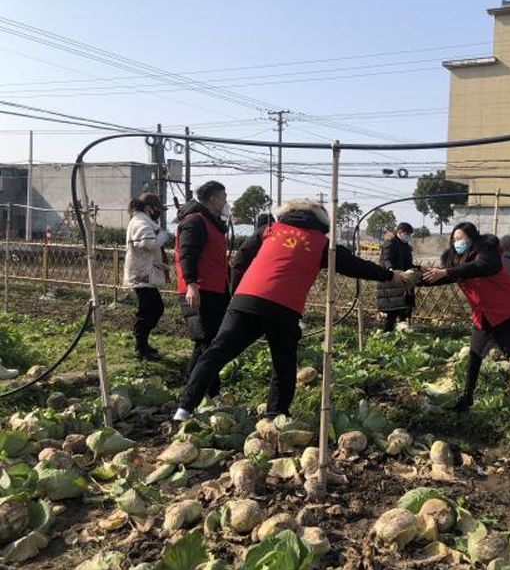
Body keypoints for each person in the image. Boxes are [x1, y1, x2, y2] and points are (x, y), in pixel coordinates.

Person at [173, 199, 407, 422]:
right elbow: (354, 265)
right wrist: (390, 276)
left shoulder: (269, 231)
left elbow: (241, 258)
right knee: (283, 363)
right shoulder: (320, 243)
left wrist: (237, 293)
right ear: (321, 222)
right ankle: (276, 414)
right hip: (284, 308)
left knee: (216, 353)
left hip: (246, 301)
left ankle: (184, 409)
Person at [423, 222, 510, 412]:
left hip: (507, 314)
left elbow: (480, 267)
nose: (456, 242)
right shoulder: (456, 261)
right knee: (474, 356)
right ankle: (466, 399)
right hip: (484, 316)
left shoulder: (488, 253)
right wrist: (407, 278)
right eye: (454, 239)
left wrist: (447, 271)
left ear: (472, 238)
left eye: (460, 238)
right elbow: (439, 277)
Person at [174, 181, 230, 403]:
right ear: (213, 199)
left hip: (215, 289)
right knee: (209, 343)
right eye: (224, 197)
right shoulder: (195, 221)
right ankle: (209, 392)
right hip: (199, 290)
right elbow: (186, 253)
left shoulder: (211, 223)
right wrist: (191, 283)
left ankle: (193, 386)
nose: (226, 202)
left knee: (207, 342)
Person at [123, 193, 169, 361]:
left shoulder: (141, 221)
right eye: (158, 209)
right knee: (150, 310)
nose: (159, 213)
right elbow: (148, 244)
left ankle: (143, 344)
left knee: (153, 309)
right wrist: (163, 236)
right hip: (141, 274)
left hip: (143, 273)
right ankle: (140, 347)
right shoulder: (141, 222)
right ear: (150, 208)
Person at [376, 222, 416, 332]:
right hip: (392, 283)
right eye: (406, 233)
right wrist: (392, 271)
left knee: (405, 311)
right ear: (399, 232)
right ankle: (386, 336)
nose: (408, 236)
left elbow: (408, 264)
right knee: (393, 313)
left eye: (409, 234)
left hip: (403, 283)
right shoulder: (390, 243)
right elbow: (386, 259)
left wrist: (417, 269)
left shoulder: (406, 247)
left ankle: (402, 336)